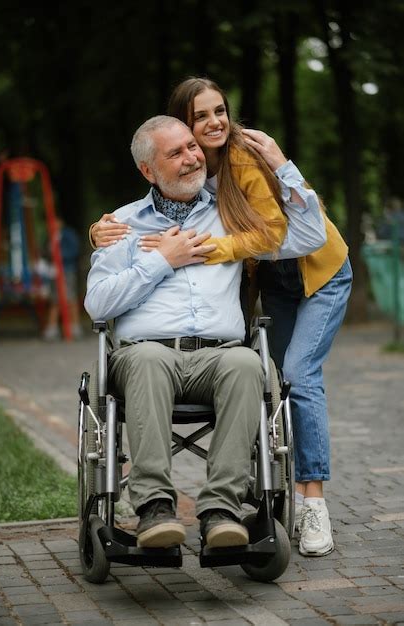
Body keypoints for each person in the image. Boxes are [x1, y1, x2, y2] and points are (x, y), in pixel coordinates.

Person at [89, 76, 352, 558]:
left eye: (194, 147)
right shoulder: (121, 225)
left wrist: (280, 163)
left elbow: (309, 236)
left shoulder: (230, 213)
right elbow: (98, 305)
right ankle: (154, 509)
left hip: (241, 338)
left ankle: (222, 511)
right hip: (148, 355)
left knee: (257, 366)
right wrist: (160, 260)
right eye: (179, 149)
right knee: (147, 360)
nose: (192, 154)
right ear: (149, 170)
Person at [42, 216, 83, 340]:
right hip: (54, 271)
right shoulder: (50, 236)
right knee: (55, 299)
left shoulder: (68, 234)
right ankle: (52, 328)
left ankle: (75, 326)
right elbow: (46, 251)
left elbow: (74, 250)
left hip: (67, 270)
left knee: (70, 298)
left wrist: (59, 255)